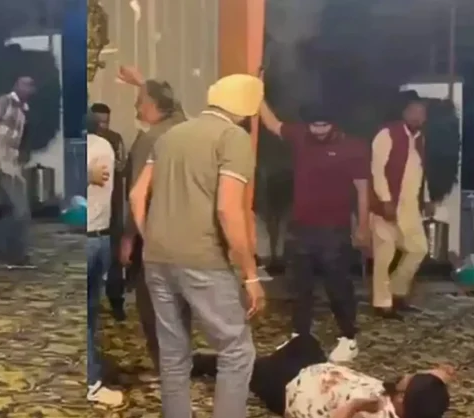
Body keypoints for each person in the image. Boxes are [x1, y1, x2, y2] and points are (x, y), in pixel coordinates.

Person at [129, 74, 266, 418]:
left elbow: (136, 195)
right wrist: (250, 275)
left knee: (173, 354)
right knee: (236, 350)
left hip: (157, 258)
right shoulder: (232, 138)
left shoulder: (170, 135)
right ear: (246, 109)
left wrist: (152, 236)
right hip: (203, 259)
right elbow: (228, 210)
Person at [258, 101, 370, 362]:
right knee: (300, 287)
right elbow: (272, 124)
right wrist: (257, 92)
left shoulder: (353, 148)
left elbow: (363, 190)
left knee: (338, 286)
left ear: (334, 124)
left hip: (335, 231)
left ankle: (349, 337)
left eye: (324, 125)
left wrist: (363, 226)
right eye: (314, 125)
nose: (319, 130)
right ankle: (299, 336)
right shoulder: (300, 135)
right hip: (301, 228)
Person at [118, 67, 190, 380]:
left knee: (152, 304)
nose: (136, 107)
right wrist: (142, 82)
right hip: (183, 232)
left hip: (151, 232)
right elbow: (177, 105)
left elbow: (138, 192)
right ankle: (180, 364)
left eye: (140, 101)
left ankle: (166, 367)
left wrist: (128, 237)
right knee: (179, 303)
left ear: (152, 105)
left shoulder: (151, 139)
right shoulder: (185, 129)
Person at [199, 335, 452, 418]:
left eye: (410, 379)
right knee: (306, 340)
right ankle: (278, 357)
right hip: (320, 369)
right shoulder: (418, 405)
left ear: (402, 397)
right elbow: (426, 390)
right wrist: (439, 375)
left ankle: (197, 364)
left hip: (291, 389)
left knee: (244, 367)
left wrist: (355, 406)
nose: (407, 374)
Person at [370, 91, 431, 319]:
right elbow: (377, 170)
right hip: (387, 203)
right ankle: (382, 303)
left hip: (410, 206)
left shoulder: (420, 138)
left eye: (421, 112)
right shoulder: (387, 134)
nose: (417, 116)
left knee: (418, 249)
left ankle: (397, 291)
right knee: (384, 255)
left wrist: (425, 199)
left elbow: (420, 171)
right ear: (404, 112)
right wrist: (385, 200)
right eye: (413, 111)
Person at [86, 112, 124, 407]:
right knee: (90, 313)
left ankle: (91, 381)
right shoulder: (104, 146)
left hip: (86, 240)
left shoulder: (85, 149)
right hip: (101, 237)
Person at [0, 76, 37, 269]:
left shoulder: (24, 110)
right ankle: (8, 253)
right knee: (19, 211)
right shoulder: (4, 102)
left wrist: (21, 159)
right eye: (23, 83)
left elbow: (18, 140)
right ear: (16, 85)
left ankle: (8, 252)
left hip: (11, 166)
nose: (27, 88)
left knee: (13, 210)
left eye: (30, 85)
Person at [89, 102, 127, 321]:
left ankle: (116, 300)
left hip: (113, 205)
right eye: (99, 122)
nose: (103, 126)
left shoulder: (114, 139)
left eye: (106, 122)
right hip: (93, 213)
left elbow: (121, 168)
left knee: (114, 256)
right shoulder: (91, 143)